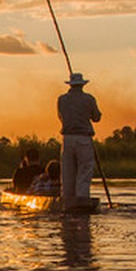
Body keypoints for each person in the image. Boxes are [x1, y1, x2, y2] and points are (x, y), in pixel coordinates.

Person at [57, 72, 102, 209]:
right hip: (84, 138)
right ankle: (81, 202)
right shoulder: (89, 99)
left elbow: (61, 117)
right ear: (82, 85)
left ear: (70, 85)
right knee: (84, 171)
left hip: (68, 139)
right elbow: (96, 117)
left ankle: (67, 201)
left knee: (67, 172)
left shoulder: (62, 99)